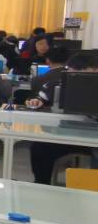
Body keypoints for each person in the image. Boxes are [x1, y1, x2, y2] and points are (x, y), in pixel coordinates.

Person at [26, 53, 98, 184]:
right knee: (39, 147)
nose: (76, 76)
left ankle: (92, 188)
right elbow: (40, 98)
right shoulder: (59, 84)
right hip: (70, 135)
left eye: (82, 72)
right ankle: (41, 183)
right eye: (72, 72)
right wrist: (37, 101)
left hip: (93, 137)